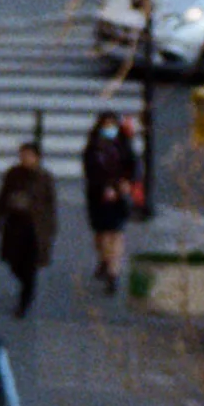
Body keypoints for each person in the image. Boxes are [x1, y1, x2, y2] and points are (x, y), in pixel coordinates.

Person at [0, 138, 58, 317]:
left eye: (29, 155)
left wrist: (50, 229)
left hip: (34, 228)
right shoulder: (13, 174)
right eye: (23, 155)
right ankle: (25, 286)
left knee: (30, 267)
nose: (25, 159)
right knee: (14, 263)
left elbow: (50, 205)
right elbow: (3, 197)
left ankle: (25, 300)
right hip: (15, 225)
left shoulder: (45, 178)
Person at [83, 110, 139, 293]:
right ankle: (105, 260)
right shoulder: (93, 148)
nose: (109, 128)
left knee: (115, 233)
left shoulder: (124, 144)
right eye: (106, 124)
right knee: (102, 234)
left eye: (112, 124)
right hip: (99, 196)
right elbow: (90, 171)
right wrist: (104, 188)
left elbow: (134, 166)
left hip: (119, 195)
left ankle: (113, 271)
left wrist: (125, 184)